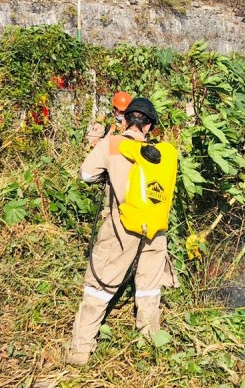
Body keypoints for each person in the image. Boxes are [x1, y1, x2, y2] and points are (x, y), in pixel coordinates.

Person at [66, 98, 178, 366]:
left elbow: (86, 174)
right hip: (155, 230)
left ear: (125, 120)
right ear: (149, 126)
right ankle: (149, 346)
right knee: (149, 289)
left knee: (99, 287)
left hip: (121, 227)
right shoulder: (160, 151)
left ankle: (80, 351)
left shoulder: (112, 144)